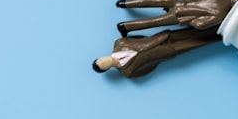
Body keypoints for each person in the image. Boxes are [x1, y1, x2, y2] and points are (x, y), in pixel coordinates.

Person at [114, 0, 236, 36]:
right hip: (182, 14)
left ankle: (125, 3)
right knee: (154, 22)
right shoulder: (221, 14)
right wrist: (191, 20)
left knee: (153, 0)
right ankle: (125, 27)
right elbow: (200, 24)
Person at [92, 28, 221, 78]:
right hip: (165, 54)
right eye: (104, 65)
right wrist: (156, 59)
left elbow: (138, 37)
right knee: (194, 44)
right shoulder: (128, 72)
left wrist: (149, 41)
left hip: (161, 38)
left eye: (102, 60)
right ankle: (219, 37)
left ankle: (216, 26)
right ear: (107, 69)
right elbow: (148, 69)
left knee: (190, 32)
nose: (105, 61)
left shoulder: (119, 43)